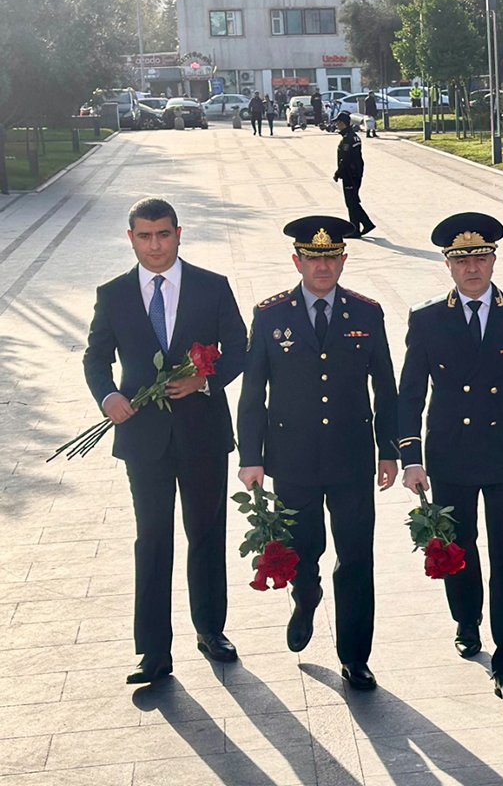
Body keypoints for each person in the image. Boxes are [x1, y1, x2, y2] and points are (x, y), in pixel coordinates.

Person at [398, 212, 503, 705]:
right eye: (461, 259)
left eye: (480, 256)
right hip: (450, 455)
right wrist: (409, 455)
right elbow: (410, 393)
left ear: (494, 259)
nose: (472, 267)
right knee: (461, 549)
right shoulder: (427, 318)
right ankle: (466, 617)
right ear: (448, 266)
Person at [83, 197, 247, 684]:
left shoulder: (211, 288)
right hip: (142, 437)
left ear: (180, 233)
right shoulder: (112, 294)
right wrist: (108, 396)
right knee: (151, 539)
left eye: (163, 234)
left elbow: (239, 348)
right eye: (144, 236)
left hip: (203, 434)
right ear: (130, 238)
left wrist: (205, 381)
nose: (155, 245)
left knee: (206, 533)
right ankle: (153, 650)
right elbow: (95, 358)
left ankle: (211, 629)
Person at [236, 215, 399, 691]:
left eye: (331, 258)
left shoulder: (367, 314)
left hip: (351, 457)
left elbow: (385, 388)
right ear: (297, 261)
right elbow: (253, 392)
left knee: (355, 558)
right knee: (303, 551)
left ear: (343, 261)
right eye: (313, 258)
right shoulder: (271, 315)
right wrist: (252, 456)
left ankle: (356, 656)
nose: (322, 267)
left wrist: (389, 450)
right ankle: (305, 599)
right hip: (293, 459)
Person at [333, 111, 374, 237]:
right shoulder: (354, 136)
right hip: (356, 173)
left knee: (351, 202)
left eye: (338, 123)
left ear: (343, 123)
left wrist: (338, 173)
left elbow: (345, 159)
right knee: (353, 201)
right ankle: (359, 227)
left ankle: (362, 226)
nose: (337, 125)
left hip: (350, 174)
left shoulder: (348, 139)